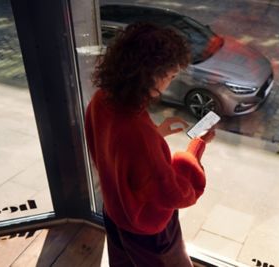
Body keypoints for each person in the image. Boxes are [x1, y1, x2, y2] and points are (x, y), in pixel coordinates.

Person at [85, 22, 215, 267]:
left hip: (114, 210)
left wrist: (157, 133)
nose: (171, 82)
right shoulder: (139, 134)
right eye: (171, 75)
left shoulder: (101, 99)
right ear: (153, 76)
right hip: (147, 228)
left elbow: (118, 152)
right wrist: (195, 149)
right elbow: (174, 193)